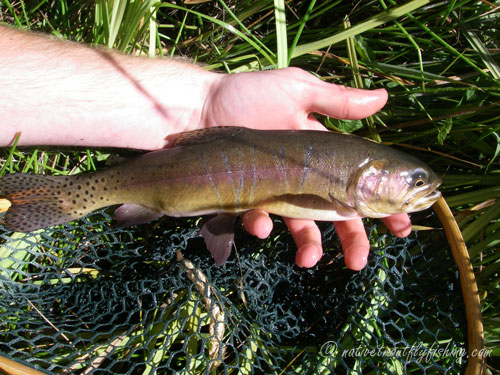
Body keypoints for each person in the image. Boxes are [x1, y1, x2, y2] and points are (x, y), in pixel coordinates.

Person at [0, 26, 411, 270]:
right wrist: (205, 102)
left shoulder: (344, 174)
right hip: (168, 175)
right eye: (415, 180)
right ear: (372, 173)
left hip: (174, 178)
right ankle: (69, 196)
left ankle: (59, 194)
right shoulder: (344, 177)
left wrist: (205, 100)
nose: (421, 187)